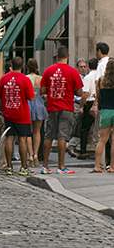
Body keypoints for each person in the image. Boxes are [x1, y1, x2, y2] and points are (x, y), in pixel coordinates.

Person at [40, 47, 83, 175]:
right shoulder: (73, 72)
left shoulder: (48, 70)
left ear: (56, 56)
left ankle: (45, 166)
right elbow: (79, 92)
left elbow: (42, 90)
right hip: (66, 107)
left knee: (48, 135)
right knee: (62, 136)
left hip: (52, 106)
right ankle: (61, 166)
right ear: (67, 56)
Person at [0, 57, 35, 176]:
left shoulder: (4, 78)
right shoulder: (25, 79)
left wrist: (3, 107)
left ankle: (9, 167)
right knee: (22, 139)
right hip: (22, 114)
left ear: (11, 65)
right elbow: (31, 97)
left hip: (8, 113)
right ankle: (23, 167)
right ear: (22, 66)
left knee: (9, 138)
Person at [92, 59, 114, 173]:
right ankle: (112, 166)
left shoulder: (101, 81)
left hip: (105, 111)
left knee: (102, 140)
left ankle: (97, 165)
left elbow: (98, 97)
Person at [26, 58, 48, 167]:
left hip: (28, 105)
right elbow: (45, 93)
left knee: (28, 132)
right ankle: (35, 155)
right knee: (37, 131)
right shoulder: (41, 79)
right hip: (39, 105)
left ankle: (30, 155)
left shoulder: (26, 78)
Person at [79, 58, 98, 158]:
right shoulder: (100, 76)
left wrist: (81, 106)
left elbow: (85, 93)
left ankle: (83, 151)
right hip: (99, 101)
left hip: (90, 102)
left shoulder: (88, 77)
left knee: (85, 128)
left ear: (88, 67)